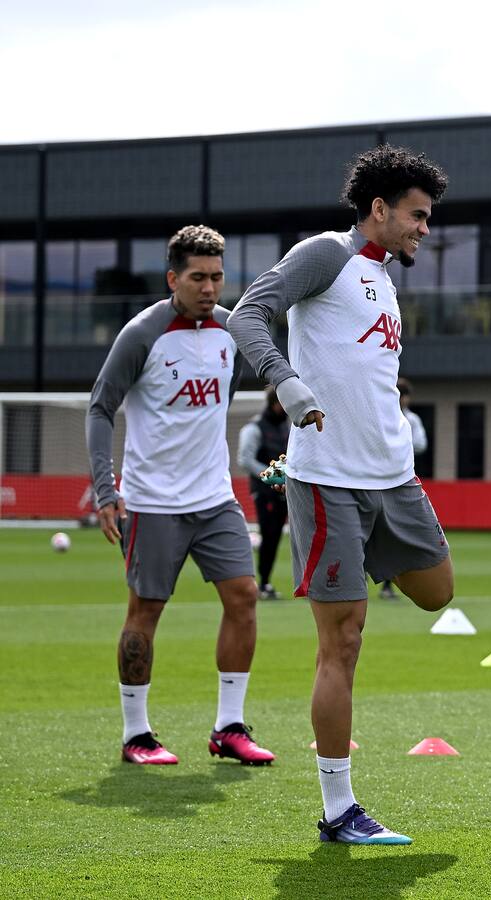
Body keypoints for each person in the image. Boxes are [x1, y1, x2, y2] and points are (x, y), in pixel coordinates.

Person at [229, 145, 453, 845]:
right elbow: (246, 316)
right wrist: (287, 383)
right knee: (344, 641)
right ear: (379, 209)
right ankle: (338, 811)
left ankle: (360, 568)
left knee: (438, 590)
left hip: (394, 478)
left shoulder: (384, 279)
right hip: (327, 482)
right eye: (417, 216)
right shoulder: (325, 254)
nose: (425, 229)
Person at [86, 225, 274, 767]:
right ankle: (136, 734)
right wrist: (106, 491)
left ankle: (229, 727)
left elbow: (221, 401)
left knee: (243, 597)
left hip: (216, 499)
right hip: (151, 502)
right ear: (173, 278)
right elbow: (100, 409)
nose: (211, 287)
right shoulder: (142, 333)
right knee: (145, 610)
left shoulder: (230, 332)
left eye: (218, 276)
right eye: (198, 277)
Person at [237, 386, 290, 599]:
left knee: (276, 536)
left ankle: (266, 583)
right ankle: (263, 582)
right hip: (265, 491)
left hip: (284, 491)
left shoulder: (286, 426)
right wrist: (272, 475)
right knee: (268, 536)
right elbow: (245, 459)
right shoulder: (254, 428)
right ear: (273, 403)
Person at [379, 378, 428, 599]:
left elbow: (420, 444)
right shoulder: (380, 413)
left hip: (400, 479)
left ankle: (388, 585)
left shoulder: (411, 420)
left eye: (405, 395)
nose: (403, 399)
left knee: (393, 533)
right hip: (375, 479)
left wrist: (399, 444)